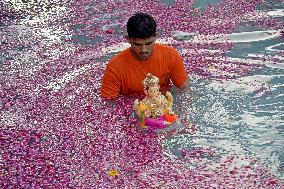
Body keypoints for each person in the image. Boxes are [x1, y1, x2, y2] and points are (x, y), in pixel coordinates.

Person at [101, 13, 192, 98]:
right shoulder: (115, 66)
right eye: (137, 44)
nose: (144, 50)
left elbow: (185, 90)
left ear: (156, 36)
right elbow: (109, 102)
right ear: (128, 39)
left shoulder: (170, 55)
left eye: (149, 43)